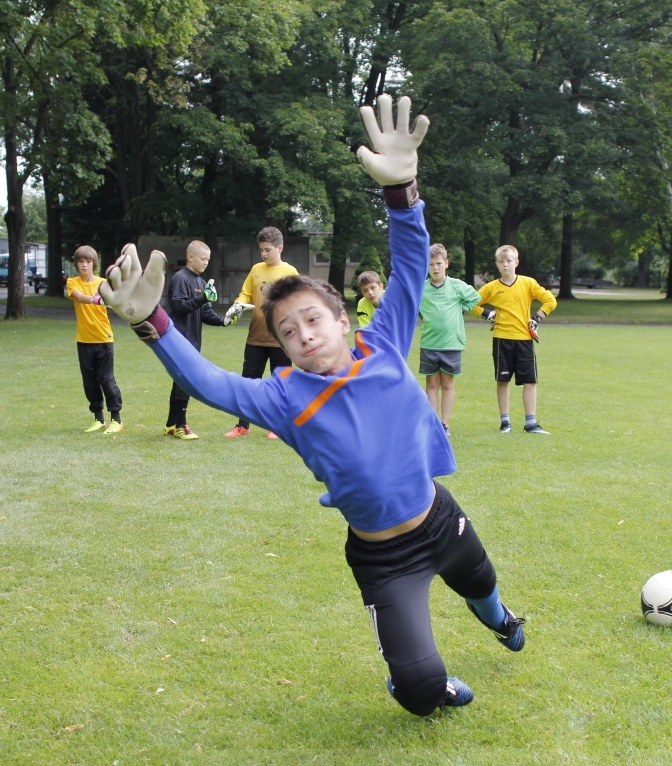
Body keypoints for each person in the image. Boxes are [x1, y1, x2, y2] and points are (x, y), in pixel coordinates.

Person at [100, 94, 525, 716]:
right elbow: (208, 384)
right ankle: (424, 681)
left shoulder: (383, 346)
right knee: (419, 694)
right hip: (383, 556)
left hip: (438, 518)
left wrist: (403, 189)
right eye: (289, 330)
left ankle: (503, 621)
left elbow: (409, 266)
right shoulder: (283, 398)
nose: (303, 334)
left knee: (481, 585)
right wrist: (153, 324)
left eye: (312, 319)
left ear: (343, 321)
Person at [471, 244, 557, 434]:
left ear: (516, 262)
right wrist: (486, 314)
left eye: (509, 261)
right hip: (502, 339)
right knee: (503, 381)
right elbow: (470, 303)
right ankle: (505, 422)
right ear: (497, 264)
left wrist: (537, 317)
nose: (505, 265)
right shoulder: (492, 287)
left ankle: (531, 423)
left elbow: (550, 300)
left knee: (530, 381)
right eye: (501, 261)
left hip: (524, 339)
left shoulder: (528, 283)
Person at [221, 227, 298, 438]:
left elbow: (298, 301)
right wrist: (237, 306)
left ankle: (278, 427)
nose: (264, 254)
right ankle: (242, 426)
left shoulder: (290, 272)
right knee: (247, 384)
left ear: (279, 248)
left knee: (280, 386)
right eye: (261, 250)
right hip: (255, 338)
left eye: (268, 250)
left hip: (281, 341)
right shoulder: (256, 269)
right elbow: (245, 295)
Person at [163, 240, 225, 440]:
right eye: (203, 258)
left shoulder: (200, 282)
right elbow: (180, 307)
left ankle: (170, 425)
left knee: (180, 381)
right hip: (179, 340)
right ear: (190, 257)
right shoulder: (181, 278)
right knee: (186, 381)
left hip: (192, 341)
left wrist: (225, 321)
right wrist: (202, 299)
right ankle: (181, 425)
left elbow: (205, 313)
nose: (206, 262)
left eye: (208, 259)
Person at [418, 244, 481, 435]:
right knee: (431, 384)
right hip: (429, 343)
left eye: (438, 263)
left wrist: (459, 309)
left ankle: (445, 424)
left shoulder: (457, 285)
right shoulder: (421, 288)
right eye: (431, 265)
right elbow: (414, 308)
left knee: (447, 384)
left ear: (446, 263)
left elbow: (475, 299)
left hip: (451, 343)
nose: (435, 268)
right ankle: (432, 423)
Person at [65, 245, 124, 434]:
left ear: (94, 264)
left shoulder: (104, 283)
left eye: (88, 262)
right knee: (90, 382)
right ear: (76, 264)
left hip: (103, 338)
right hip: (83, 340)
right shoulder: (72, 282)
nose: (84, 265)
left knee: (106, 379)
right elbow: (79, 297)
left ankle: (117, 420)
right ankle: (99, 419)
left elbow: (118, 298)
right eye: (81, 262)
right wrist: (97, 300)